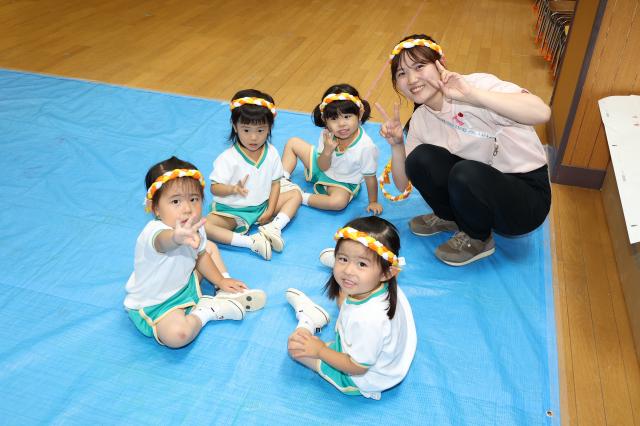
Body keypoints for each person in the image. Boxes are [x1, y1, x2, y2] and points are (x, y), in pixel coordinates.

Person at [377, 34, 552, 266]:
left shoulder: (475, 85)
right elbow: (402, 184)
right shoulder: (421, 119)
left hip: (526, 198)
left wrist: (473, 96)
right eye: (401, 73)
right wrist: (397, 145)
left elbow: (542, 113)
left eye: (419, 66)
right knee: (420, 159)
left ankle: (478, 238)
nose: (411, 79)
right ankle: (452, 218)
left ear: (440, 63)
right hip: (477, 184)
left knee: (465, 172)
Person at [124, 156, 266, 348]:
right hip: (157, 302)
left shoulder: (195, 228)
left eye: (194, 199)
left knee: (208, 248)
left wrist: (221, 280)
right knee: (178, 336)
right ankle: (209, 310)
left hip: (184, 281)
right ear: (156, 208)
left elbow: (201, 256)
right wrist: (176, 238)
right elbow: (163, 242)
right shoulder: (154, 232)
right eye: (176, 201)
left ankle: (223, 292)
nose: (187, 209)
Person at [286, 216, 416, 400]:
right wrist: (357, 264)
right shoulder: (383, 283)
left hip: (364, 377)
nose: (348, 270)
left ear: (387, 273)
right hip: (389, 357)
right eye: (343, 259)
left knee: (295, 349)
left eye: (362, 264)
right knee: (348, 287)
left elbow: (357, 367)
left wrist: (319, 350)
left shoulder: (368, 321)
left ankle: (309, 320)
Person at [205, 89, 302, 260]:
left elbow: (275, 184)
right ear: (235, 127)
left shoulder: (271, 152)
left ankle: (274, 228)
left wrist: (270, 210)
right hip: (234, 212)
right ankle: (251, 242)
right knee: (204, 227)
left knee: (295, 195)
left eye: (260, 130)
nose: (253, 137)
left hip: (263, 206)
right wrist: (232, 189)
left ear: (269, 127)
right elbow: (214, 188)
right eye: (246, 130)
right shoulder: (228, 158)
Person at [280, 84, 383, 214]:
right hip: (323, 165)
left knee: (338, 202)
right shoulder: (328, 134)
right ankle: (281, 181)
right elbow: (322, 166)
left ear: (360, 114)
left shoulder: (366, 147)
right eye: (334, 119)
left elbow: (370, 178)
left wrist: (373, 201)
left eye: (347, 117)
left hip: (342, 182)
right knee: (293, 142)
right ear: (325, 120)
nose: (341, 124)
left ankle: (299, 196)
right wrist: (327, 151)